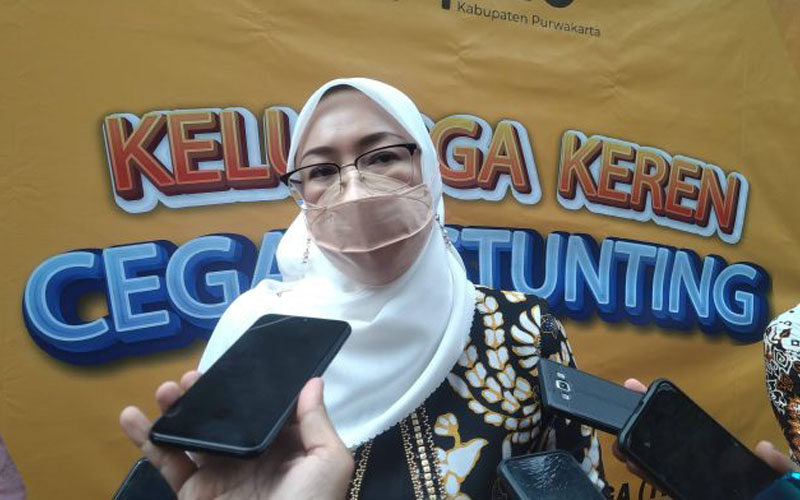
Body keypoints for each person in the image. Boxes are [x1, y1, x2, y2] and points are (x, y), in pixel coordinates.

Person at [121, 78, 608, 499]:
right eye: (321, 171)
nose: (354, 191)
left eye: (383, 157)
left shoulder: (522, 332)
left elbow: (577, 482)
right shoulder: (257, 336)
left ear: (428, 169)